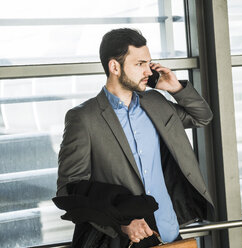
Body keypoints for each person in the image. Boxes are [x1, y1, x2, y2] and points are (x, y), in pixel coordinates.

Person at [56, 28, 214, 247]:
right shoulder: (84, 118)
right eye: (139, 64)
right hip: (124, 240)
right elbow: (69, 189)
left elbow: (202, 117)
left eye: (148, 63)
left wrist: (176, 88)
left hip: (169, 232)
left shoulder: (156, 103)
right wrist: (120, 222)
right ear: (114, 67)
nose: (148, 71)